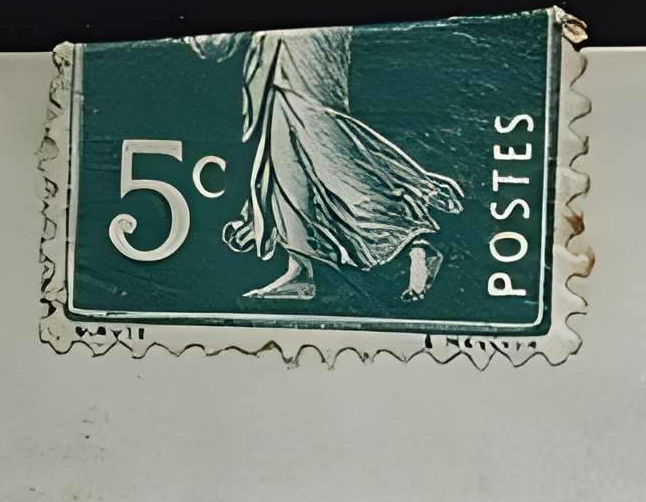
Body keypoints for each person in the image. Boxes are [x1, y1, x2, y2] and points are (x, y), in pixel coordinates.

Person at [183, 28, 463, 303]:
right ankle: (301, 268)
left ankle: (415, 244)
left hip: (298, 48)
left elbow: (216, 44)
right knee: (287, 154)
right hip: (287, 51)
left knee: (324, 151)